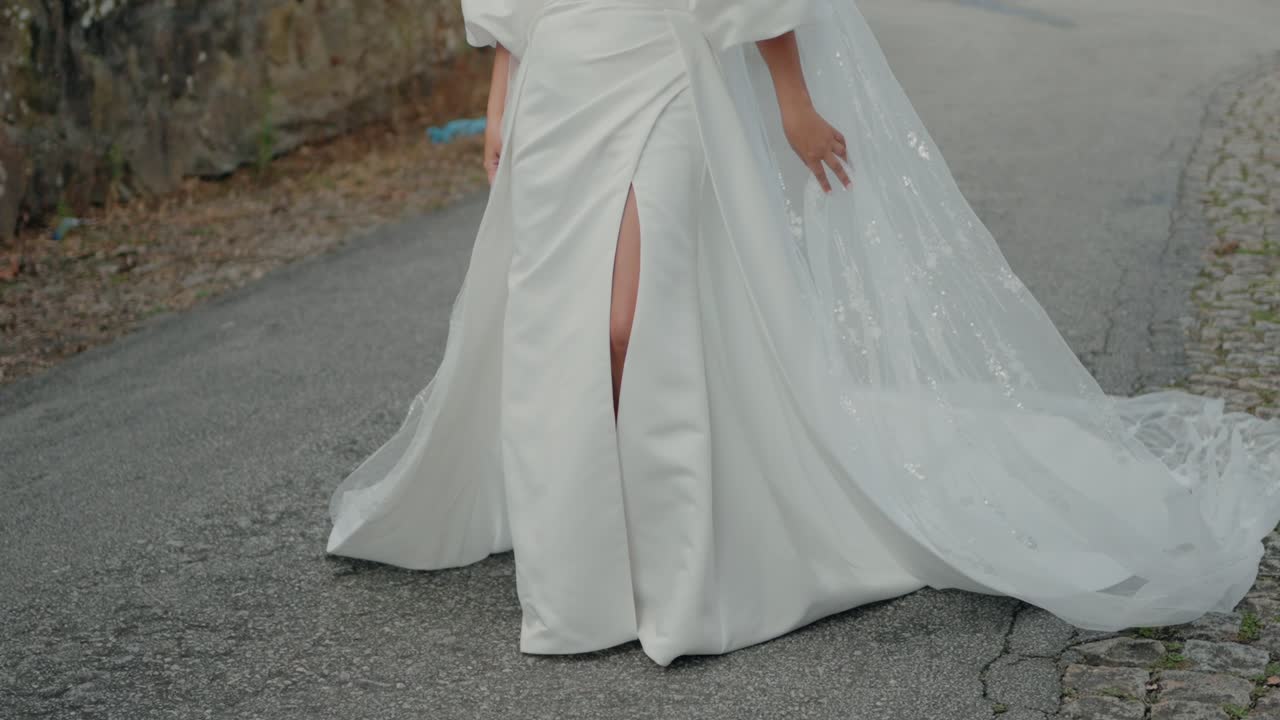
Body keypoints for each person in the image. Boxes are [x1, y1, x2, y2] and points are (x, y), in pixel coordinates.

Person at [327, 0, 1280, 667]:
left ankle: (678, 569)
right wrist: (502, 97)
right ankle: (584, 584)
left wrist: (790, 97)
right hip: (560, 86)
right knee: (557, 332)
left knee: (629, 321)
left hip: (664, 74)